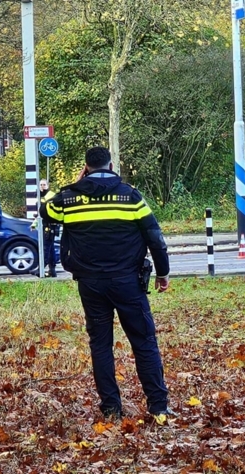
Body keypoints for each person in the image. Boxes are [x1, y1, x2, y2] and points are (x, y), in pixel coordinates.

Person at [41, 146, 172, 421]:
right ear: (111, 166)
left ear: (86, 167)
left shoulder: (68, 198)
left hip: (90, 284)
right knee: (144, 342)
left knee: (100, 345)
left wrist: (72, 184)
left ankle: (111, 408)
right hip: (128, 282)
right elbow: (154, 237)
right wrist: (163, 273)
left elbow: (45, 210)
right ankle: (158, 406)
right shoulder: (130, 196)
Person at [38, 179, 59, 277]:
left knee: (46, 247)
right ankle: (52, 270)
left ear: (48, 185)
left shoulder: (50, 195)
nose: (42, 186)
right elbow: (39, 213)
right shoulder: (40, 196)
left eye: (44, 185)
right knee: (50, 248)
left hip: (50, 225)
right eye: (40, 185)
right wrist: (34, 224)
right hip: (46, 224)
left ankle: (41, 269)